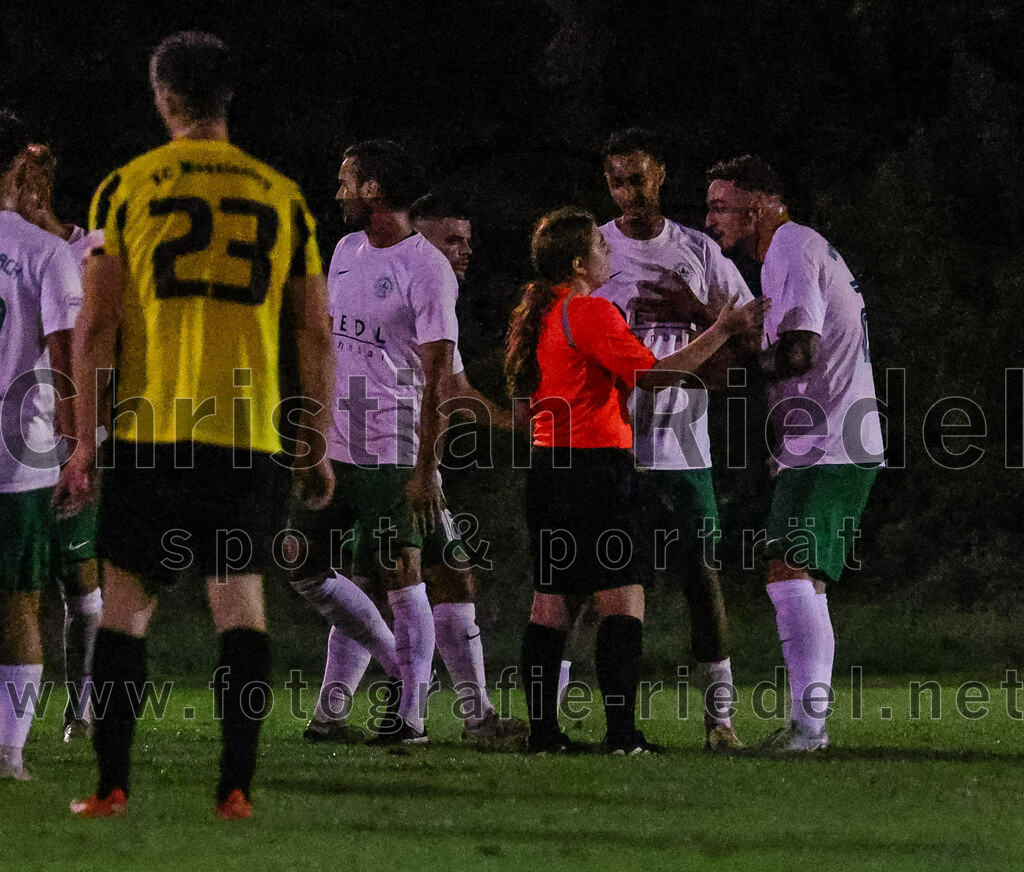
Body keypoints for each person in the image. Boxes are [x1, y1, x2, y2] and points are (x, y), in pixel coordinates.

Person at [57, 31, 335, 818]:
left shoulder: (126, 187)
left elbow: (97, 326)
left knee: (125, 607)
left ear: (165, 97)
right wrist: (314, 442)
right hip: (246, 434)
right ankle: (235, 789)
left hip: (152, 429)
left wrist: (85, 439)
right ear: (227, 96)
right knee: (239, 604)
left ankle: (111, 785)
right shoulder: (281, 195)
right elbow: (314, 331)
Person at [505, 206, 767, 754]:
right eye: (599, 249)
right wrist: (721, 328)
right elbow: (655, 374)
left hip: (549, 469)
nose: (608, 253)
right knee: (623, 601)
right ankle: (623, 736)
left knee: (551, 602)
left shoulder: (544, 312)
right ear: (578, 263)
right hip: (596, 470)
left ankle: (544, 733)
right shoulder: (590, 310)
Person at [563, 128, 755, 752]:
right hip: (610, 446)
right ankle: (552, 714)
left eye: (638, 179)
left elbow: (747, 338)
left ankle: (720, 719)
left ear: (661, 175)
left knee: (700, 578)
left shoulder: (698, 251)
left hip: (682, 447)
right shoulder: (594, 253)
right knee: (589, 585)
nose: (629, 193)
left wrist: (697, 311)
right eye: (617, 181)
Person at [705, 155, 883, 752]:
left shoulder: (788, 247)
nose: (711, 220)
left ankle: (808, 731)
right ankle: (811, 727)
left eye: (720, 206)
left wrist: (729, 374)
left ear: (756, 206)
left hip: (832, 439)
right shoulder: (801, 247)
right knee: (807, 581)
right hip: (833, 437)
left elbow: (800, 353)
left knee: (786, 570)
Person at [290, 140, 461, 746]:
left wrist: (425, 468)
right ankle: (400, 668)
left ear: (374, 189)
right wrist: (312, 435)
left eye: (347, 181)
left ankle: (409, 718)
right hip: (336, 446)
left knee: (400, 574)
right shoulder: (345, 251)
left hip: (392, 448)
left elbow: (439, 378)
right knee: (301, 563)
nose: (339, 192)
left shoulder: (427, 268)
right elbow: (327, 348)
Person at [0, 111, 83, 780]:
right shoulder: (44, 252)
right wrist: (76, 447)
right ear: (16, 168)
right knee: (18, 603)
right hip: (16, 456)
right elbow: (65, 361)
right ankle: (9, 752)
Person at [16, 141, 105, 743]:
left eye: (23, 181)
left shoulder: (88, 249)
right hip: (12, 438)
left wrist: (84, 440)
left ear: (41, 187)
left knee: (79, 578)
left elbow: (98, 345)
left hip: (63, 437)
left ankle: (82, 709)